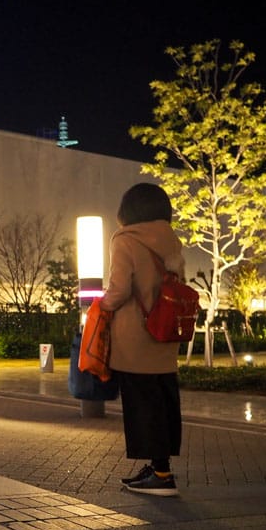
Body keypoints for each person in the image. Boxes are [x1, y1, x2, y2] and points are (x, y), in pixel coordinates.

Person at [100, 183, 185, 497]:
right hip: (165, 332)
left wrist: (101, 305)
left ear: (129, 210)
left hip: (136, 335)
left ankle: (161, 476)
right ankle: (159, 467)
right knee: (163, 401)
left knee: (142, 404)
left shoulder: (125, 239)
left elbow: (120, 289)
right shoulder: (170, 239)